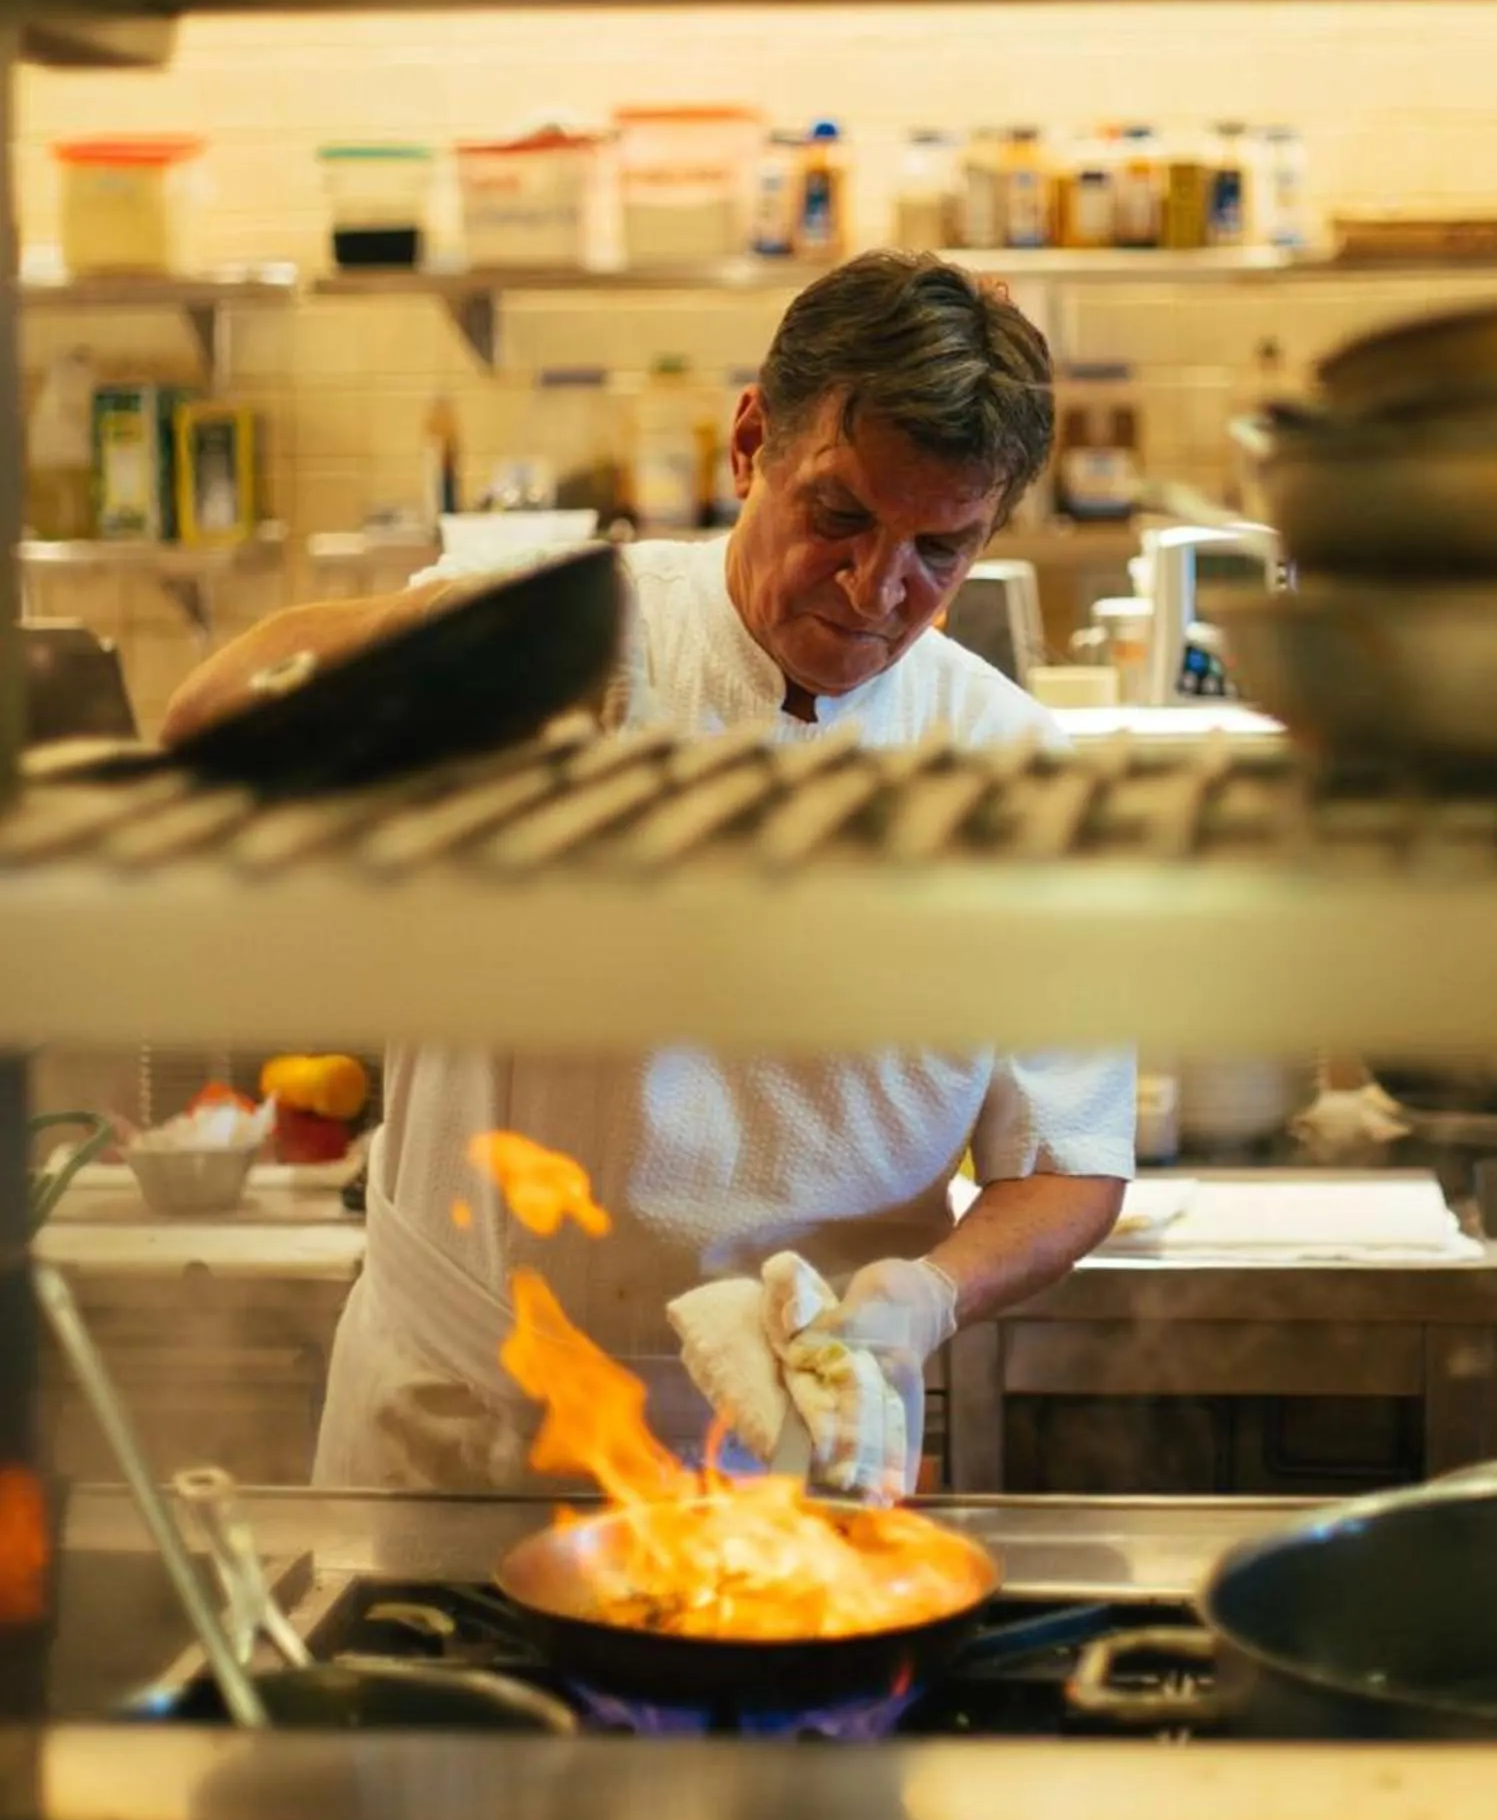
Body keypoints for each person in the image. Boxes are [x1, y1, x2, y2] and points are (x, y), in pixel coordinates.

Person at [163, 253, 1134, 1494]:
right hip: (466, 1424)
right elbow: (208, 726)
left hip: (791, 1443)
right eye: (837, 515)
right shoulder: (579, 645)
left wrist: (926, 1298)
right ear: (749, 446)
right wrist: (449, 629)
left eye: (936, 549)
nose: (873, 589)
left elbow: (1065, 1161)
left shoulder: (1017, 777)